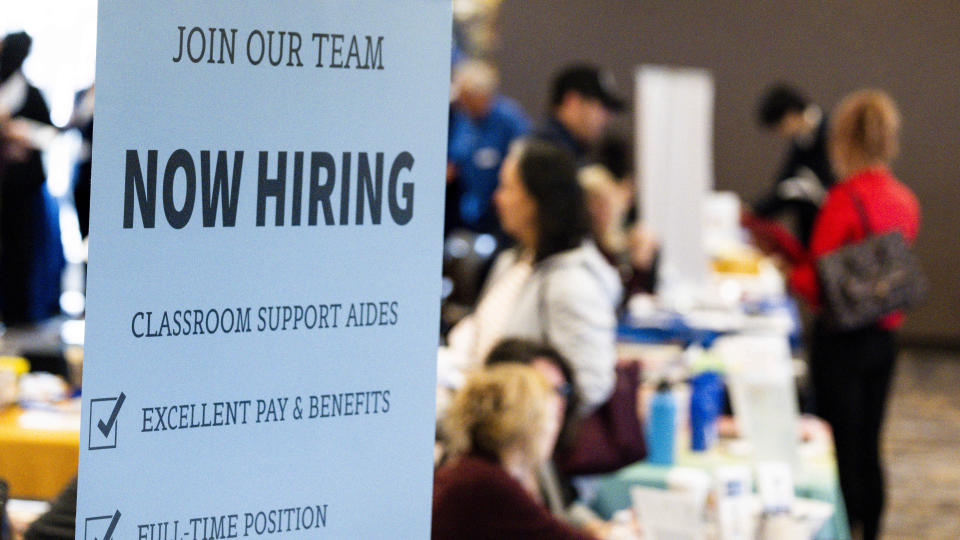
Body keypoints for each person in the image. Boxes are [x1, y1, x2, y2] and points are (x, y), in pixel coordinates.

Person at [788, 89, 919, 540]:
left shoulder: (844, 199)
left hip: (842, 339)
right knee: (869, 439)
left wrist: (788, 266)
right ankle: (873, 527)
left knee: (839, 442)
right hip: (883, 339)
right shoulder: (905, 200)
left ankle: (843, 526)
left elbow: (816, 280)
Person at [438, 138, 621, 413]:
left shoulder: (572, 284)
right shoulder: (513, 262)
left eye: (507, 187)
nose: (497, 198)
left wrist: (519, 414)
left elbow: (590, 387)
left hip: (520, 440)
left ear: (536, 200)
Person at [432, 364, 595, 540]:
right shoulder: (487, 482)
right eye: (551, 419)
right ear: (529, 425)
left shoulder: (471, 468)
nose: (555, 429)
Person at [0, 31, 64, 327]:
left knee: (24, 250)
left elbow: (50, 132)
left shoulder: (31, 92)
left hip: (25, 188)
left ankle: (21, 310)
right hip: (6, 185)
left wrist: (24, 134)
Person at [447, 60, 530, 236]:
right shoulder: (461, 119)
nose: (463, 104)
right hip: (464, 211)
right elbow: (457, 156)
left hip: (496, 214)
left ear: (483, 95)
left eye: (467, 97)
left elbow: (522, 161)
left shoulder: (510, 120)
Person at [752, 83, 835, 248]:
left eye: (780, 128)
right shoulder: (800, 141)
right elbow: (784, 184)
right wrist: (754, 210)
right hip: (810, 232)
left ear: (790, 116)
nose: (782, 134)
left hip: (834, 227)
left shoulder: (834, 131)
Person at [534, 64, 624, 165]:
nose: (608, 117)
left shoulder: (568, 149)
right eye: (602, 107)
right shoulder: (545, 151)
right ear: (572, 101)